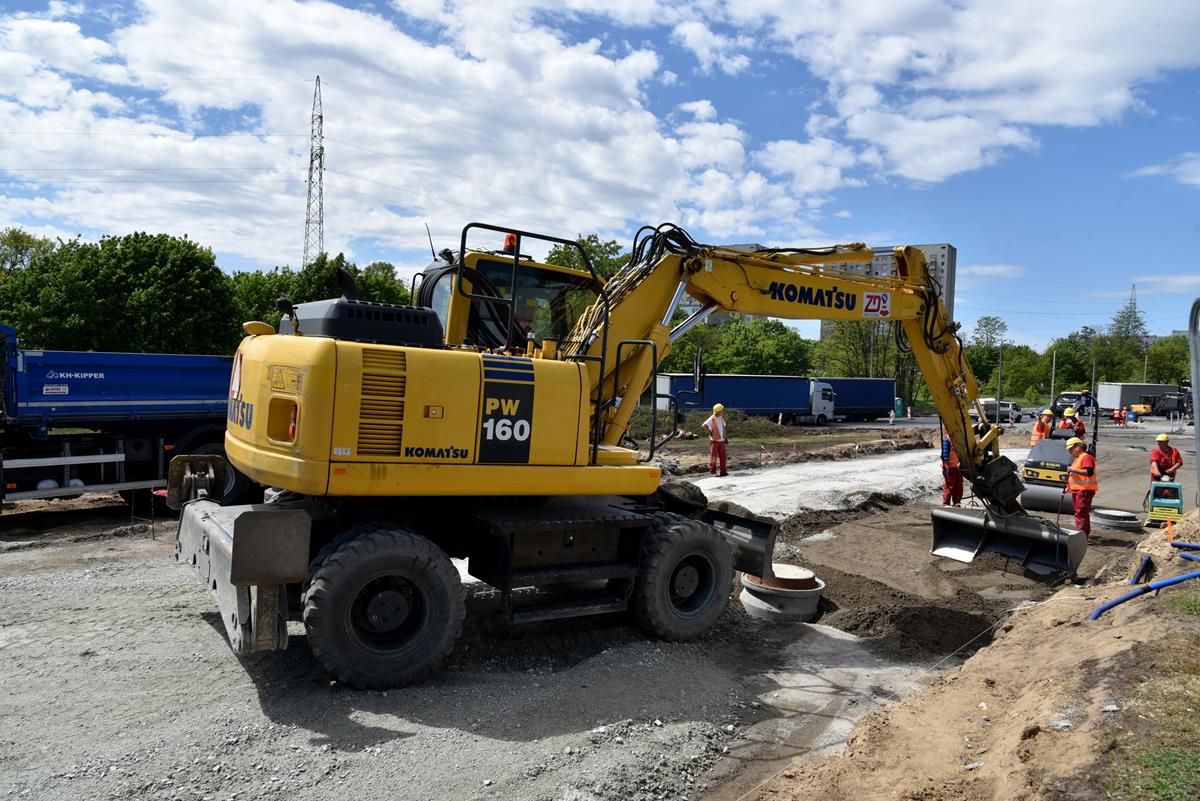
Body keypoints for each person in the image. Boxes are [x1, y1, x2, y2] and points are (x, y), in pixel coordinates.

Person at [1066, 436, 1098, 543]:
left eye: (1071, 449)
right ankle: (1081, 534)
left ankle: (1082, 537)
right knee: (1079, 513)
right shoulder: (1078, 458)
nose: (1070, 452)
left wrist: (1071, 469)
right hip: (1078, 490)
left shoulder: (1085, 457)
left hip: (1084, 490)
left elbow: (1088, 472)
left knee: (1081, 513)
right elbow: (1075, 475)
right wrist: (1068, 486)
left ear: (1078, 447)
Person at [703, 403, 729, 477]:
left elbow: (724, 427)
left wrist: (725, 437)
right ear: (719, 411)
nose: (723, 411)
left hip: (721, 441)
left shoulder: (721, 418)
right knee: (714, 457)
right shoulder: (712, 418)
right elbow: (704, 425)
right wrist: (710, 432)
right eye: (722, 410)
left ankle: (723, 472)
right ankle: (713, 472)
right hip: (714, 441)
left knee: (723, 457)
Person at [941, 432, 963, 506]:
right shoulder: (947, 440)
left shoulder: (959, 439)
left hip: (958, 468)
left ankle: (957, 502)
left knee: (958, 486)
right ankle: (946, 503)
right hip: (950, 468)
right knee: (949, 487)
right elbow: (945, 456)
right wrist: (948, 467)